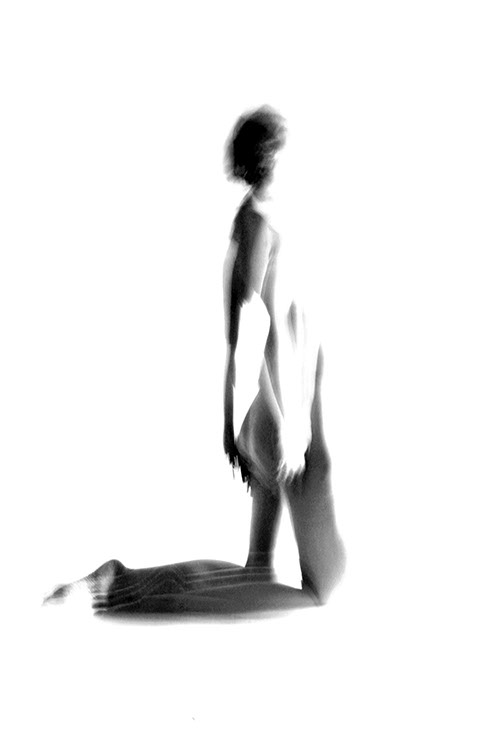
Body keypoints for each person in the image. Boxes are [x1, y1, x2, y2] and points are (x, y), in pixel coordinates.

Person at [43, 107, 345, 616]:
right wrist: (286, 425)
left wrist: (231, 424)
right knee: (318, 594)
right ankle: (119, 591)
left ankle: (115, 584)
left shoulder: (252, 222)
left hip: (266, 414)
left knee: (257, 574)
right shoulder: (260, 223)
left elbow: (240, 334)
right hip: (278, 416)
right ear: (271, 159)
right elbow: (253, 328)